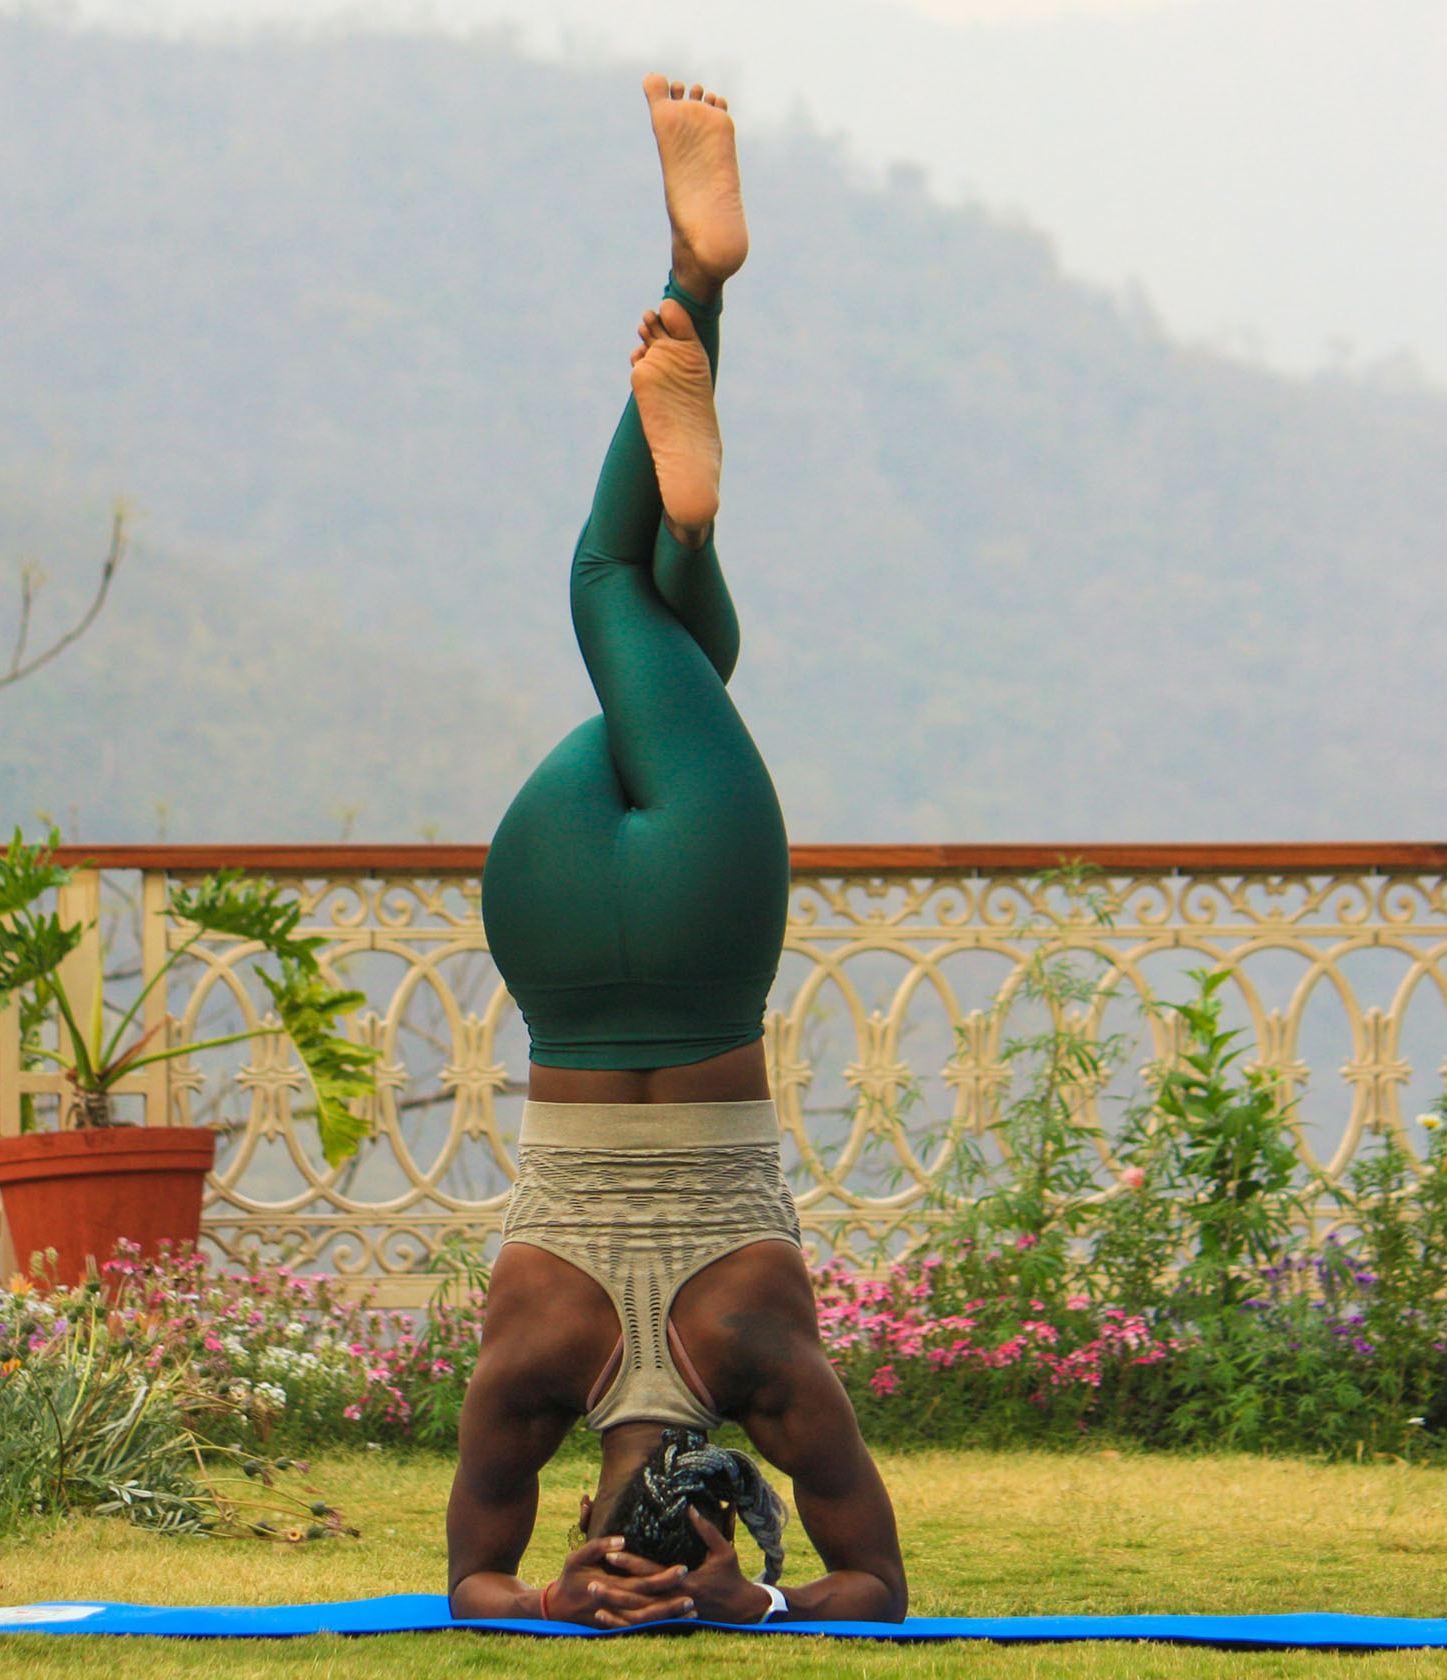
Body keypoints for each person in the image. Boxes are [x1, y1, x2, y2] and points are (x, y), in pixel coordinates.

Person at [444, 74, 908, 1630]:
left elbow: (875, 1586)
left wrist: (753, 1604)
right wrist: (554, 1597)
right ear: (603, 1507)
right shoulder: (534, 1365)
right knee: (631, 615)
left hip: (706, 937)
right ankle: (687, 512)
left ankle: (699, 290)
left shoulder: (770, 1369)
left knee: (632, 609)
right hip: (558, 931)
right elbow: (467, 1584)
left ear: (740, 1483)